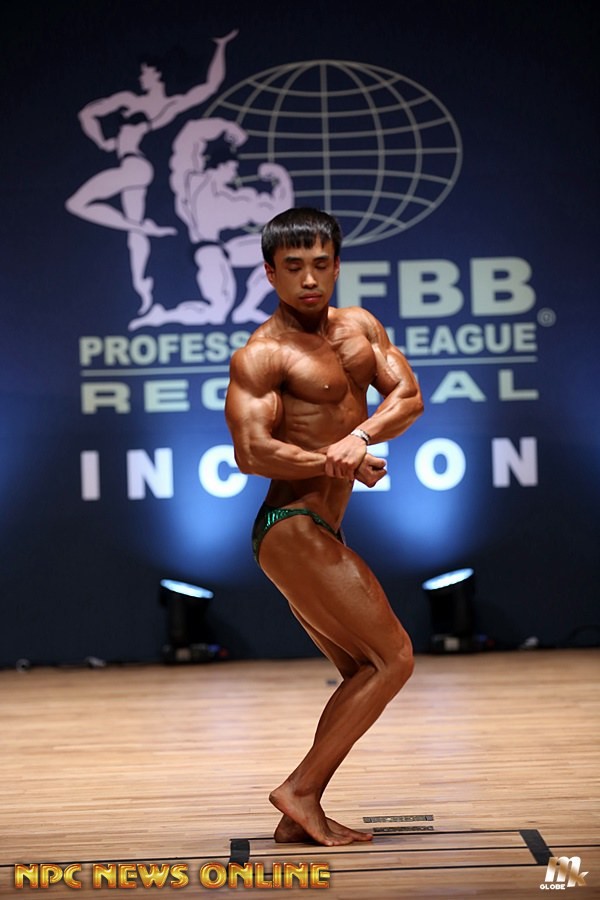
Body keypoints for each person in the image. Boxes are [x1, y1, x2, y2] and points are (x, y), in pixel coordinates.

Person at [224, 207, 424, 847]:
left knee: (367, 668)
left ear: (336, 265)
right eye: (293, 267)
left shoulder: (360, 327)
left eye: (320, 264)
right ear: (270, 273)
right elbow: (251, 451)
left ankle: (297, 815)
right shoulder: (262, 354)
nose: (308, 279)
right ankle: (301, 790)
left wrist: (358, 438)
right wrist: (332, 458)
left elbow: (408, 397)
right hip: (290, 523)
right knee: (394, 658)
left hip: (321, 528)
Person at [65, 30, 238, 315]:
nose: (141, 78)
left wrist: (221, 47)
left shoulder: (156, 104)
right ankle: (143, 293)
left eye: (145, 73)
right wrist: (102, 141)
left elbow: (209, 87)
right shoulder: (140, 102)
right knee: (135, 237)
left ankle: (143, 230)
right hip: (135, 168)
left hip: (134, 166)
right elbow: (87, 114)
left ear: (158, 75)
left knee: (77, 203)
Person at [129, 118, 293, 329]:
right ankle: (161, 316)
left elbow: (276, 210)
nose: (234, 174)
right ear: (220, 166)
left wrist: (281, 179)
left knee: (281, 255)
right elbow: (189, 141)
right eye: (232, 168)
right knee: (217, 311)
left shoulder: (231, 198)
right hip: (208, 251)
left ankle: (247, 307)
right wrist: (226, 128)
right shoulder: (193, 183)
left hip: (226, 249)